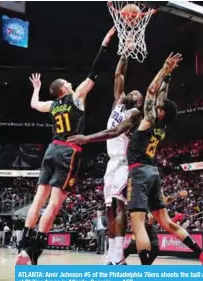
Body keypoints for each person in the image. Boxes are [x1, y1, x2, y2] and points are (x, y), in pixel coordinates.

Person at [15, 27, 116, 265]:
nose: (72, 83)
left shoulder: (52, 105)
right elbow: (95, 71)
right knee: (54, 203)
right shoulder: (76, 97)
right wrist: (104, 43)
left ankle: (22, 246)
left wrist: (36, 90)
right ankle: (33, 250)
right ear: (65, 89)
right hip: (68, 151)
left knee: (38, 198)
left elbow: (34, 105)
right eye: (69, 83)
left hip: (51, 149)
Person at [126, 52, 203, 265]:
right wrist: (168, 76)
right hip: (153, 172)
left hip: (139, 170)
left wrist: (163, 68)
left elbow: (152, 91)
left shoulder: (150, 118)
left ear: (160, 113)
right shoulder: (163, 124)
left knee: (138, 222)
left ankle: (143, 269)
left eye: (160, 107)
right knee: (166, 222)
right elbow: (161, 96)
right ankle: (200, 254)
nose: (157, 105)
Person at [68, 54, 143, 265]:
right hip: (111, 163)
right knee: (109, 208)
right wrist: (126, 52)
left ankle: (119, 256)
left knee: (120, 206)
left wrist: (86, 138)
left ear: (138, 101)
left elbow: (115, 131)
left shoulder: (135, 114)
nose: (133, 92)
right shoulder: (118, 104)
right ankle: (111, 254)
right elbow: (119, 73)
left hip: (124, 163)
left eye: (138, 93)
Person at [124, 190, 188, 264]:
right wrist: (148, 212)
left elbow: (166, 200)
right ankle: (118, 261)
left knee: (155, 248)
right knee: (132, 247)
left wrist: (177, 195)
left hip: (150, 225)